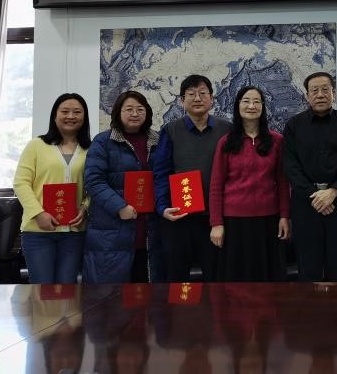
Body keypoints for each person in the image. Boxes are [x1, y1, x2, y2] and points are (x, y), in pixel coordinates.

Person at [282, 71, 337, 281]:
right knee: (308, 269)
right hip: (306, 206)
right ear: (307, 95)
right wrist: (316, 196)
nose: (320, 95)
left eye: (325, 90)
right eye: (314, 90)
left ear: (333, 93)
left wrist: (333, 192)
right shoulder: (294, 126)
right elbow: (291, 167)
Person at [152, 74, 232, 282]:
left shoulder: (227, 129)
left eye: (203, 93)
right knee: (176, 278)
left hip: (215, 219)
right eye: (191, 94)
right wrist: (162, 207)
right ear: (182, 100)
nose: (197, 98)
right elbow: (161, 172)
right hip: (179, 219)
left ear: (212, 99)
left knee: (216, 278)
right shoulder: (170, 130)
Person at [82, 90, 165, 283]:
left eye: (140, 109)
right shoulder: (103, 141)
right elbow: (93, 180)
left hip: (151, 227)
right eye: (129, 109)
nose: (135, 113)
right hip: (113, 227)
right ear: (118, 112)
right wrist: (119, 207)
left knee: (149, 289)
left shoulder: (159, 140)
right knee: (113, 293)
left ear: (147, 113)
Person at [209, 85, 290, 281]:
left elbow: (283, 182)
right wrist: (216, 223)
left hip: (268, 220)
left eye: (256, 102)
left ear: (263, 106)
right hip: (233, 221)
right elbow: (216, 186)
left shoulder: (276, 141)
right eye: (246, 101)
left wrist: (284, 216)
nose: (251, 106)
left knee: (267, 277)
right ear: (238, 106)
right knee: (236, 278)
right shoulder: (226, 142)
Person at [13, 92, 91, 284]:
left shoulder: (91, 149)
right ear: (54, 116)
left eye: (77, 112)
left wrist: (85, 208)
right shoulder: (36, 145)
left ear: (84, 117)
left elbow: (95, 184)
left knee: (67, 288)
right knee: (42, 289)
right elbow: (21, 183)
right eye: (65, 111)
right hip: (38, 232)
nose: (71, 116)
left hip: (74, 232)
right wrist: (39, 214)